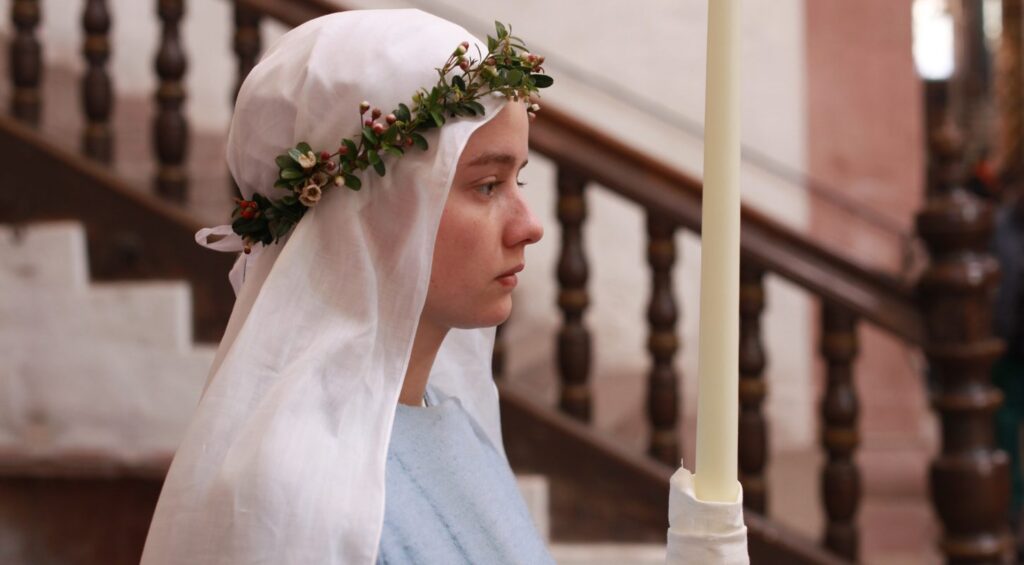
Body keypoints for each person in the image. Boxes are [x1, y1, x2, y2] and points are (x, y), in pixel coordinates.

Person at [140, 10, 553, 564]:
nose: (529, 226)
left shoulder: (456, 427)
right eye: (486, 185)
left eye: (517, 179)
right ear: (368, 208)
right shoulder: (292, 497)